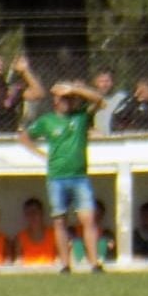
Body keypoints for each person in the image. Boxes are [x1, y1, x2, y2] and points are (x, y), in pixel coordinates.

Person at [18, 80, 106, 274]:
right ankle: (65, 264)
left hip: (79, 176)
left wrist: (75, 88)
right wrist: (40, 154)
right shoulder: (47, 120)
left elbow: (100, 101)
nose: (68, 102)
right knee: (60, 221)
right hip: (57, 177)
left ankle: (94, 264)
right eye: (64, 98)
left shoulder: (81, 116)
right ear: (55, 101)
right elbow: (24, 136)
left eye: (70, 99)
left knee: (88, 219)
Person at [70, 199, 116, 268]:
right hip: (79, 260)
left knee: (103, 241)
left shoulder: (106, 232)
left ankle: (99, 260)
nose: (94, 218)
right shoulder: (73, 230)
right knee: (77, 242)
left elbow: (111, 244)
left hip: (97, 255)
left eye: (98, 215)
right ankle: (83, 262)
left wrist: (109, 242)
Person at [15, 197, 57, 266]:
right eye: (28, 213)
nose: (32, 216)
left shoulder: (54, 234)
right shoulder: (20, 238)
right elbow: (18, 263)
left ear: (42, 213)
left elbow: (59, 260)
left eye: (35, 212)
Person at [92, 69, 128, 134]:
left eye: (107, 81)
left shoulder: (121, 97)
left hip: (116, 136)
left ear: (112, 82)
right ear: (96, 82)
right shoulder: (92, 100)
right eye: (101, 81)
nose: (104, 84)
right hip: (98, 137)